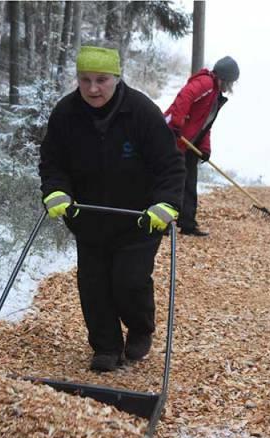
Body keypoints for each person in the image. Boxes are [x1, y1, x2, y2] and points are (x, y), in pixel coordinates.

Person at [39, 45, 185, 372]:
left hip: (139, 220)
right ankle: (105, 346)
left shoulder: (142, 112)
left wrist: (166, 203)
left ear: (116, 78)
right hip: (89, 219)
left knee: (129, 280)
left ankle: (139, 328)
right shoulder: (66, 114)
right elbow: (52, 163)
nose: (93, 88)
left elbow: (170, 165)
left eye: (101, 80)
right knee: (93, 284)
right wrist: (57, 192)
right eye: (85, 79)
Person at [164, 56, 240, 236]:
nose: (231, 87)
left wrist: (205, 149)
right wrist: (176, 123)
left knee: (190, 181)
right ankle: (163, 223)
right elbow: (185, 96)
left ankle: (187, 223)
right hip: (173, 137)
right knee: (171, 181)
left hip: (189, 143)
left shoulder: (216, 95)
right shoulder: (206, 83)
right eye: (232, 82)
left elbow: (205, 125)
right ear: (226, 78)